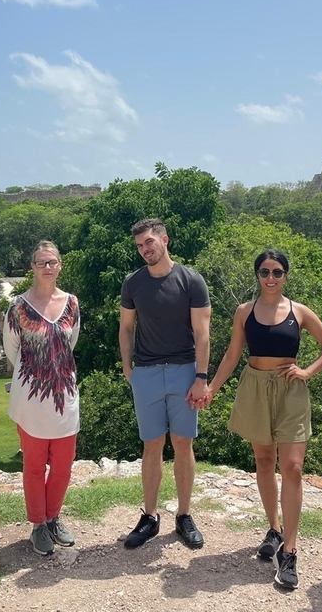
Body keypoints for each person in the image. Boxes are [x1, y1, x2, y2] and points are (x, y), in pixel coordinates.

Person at [204, 250, 322, 589]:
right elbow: (233, 353)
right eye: (264, 271)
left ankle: (290, 552)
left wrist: (307, 371)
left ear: (285, 276)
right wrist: (211, 389)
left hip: (291, 391)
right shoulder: (244, 312)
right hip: (254, 387)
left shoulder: (299, 311)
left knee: (292, 467)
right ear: (257, 275)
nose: (271, 277)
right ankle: (274, 529)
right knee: (264, 461)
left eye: (277, 272)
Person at [119, 218, 210, 550]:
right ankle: (150, 516)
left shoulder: (191, 280)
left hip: (185, 371)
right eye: (140, 245)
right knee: (152, 445)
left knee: (183, 443)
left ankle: (184, 516)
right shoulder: (133, 283)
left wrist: (201, 377)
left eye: (149, 242)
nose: (145, 249)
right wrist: (129, 368)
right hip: (146, 373)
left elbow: (202, 333)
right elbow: (126, 327)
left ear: (164, 240)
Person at [3, 241, 81, 556]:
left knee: (63, 466)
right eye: (41, 262)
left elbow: (69, 343)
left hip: (64, 396)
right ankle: (38, 524)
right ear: (32, 268)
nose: (47, 267)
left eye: (52, 262)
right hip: (31, 400)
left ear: (60, 265)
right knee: (34, 465)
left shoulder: (72, 303)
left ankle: (53, 517)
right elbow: (13, 350)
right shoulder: (18, 307)